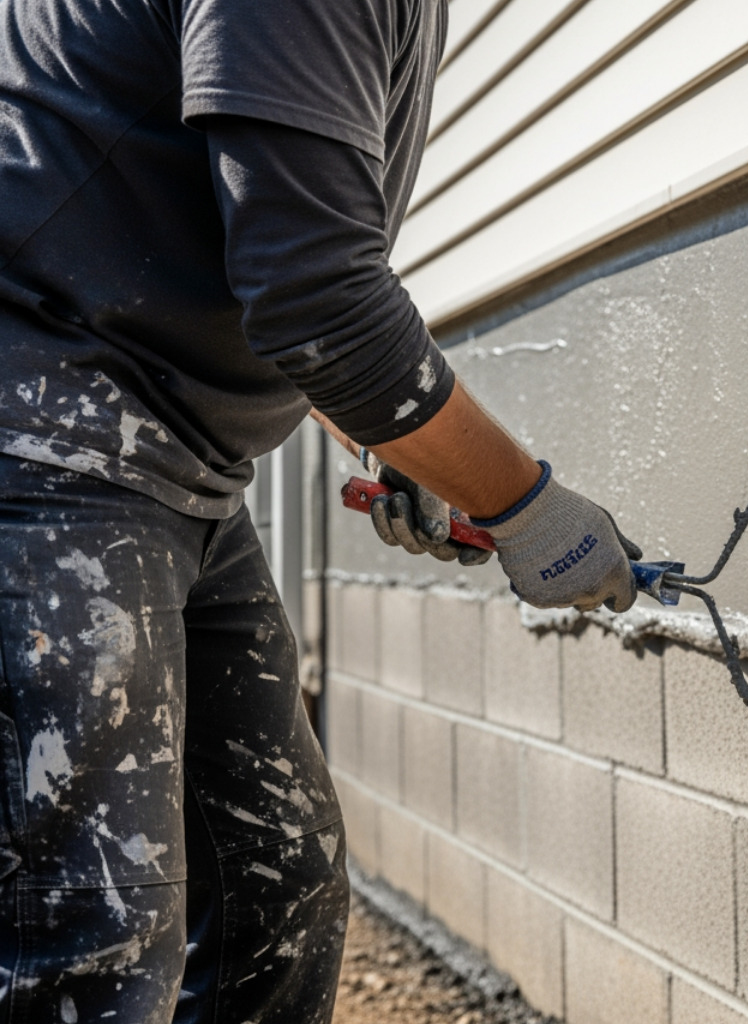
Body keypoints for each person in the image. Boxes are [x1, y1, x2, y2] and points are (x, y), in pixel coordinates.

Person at [0, 0, 636, 1019]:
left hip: (171, 459)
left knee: (273, 884)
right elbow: (317, 303)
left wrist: (398, 441)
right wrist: (528, 510)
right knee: (93, 947)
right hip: (43, 442)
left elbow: (272, 242)